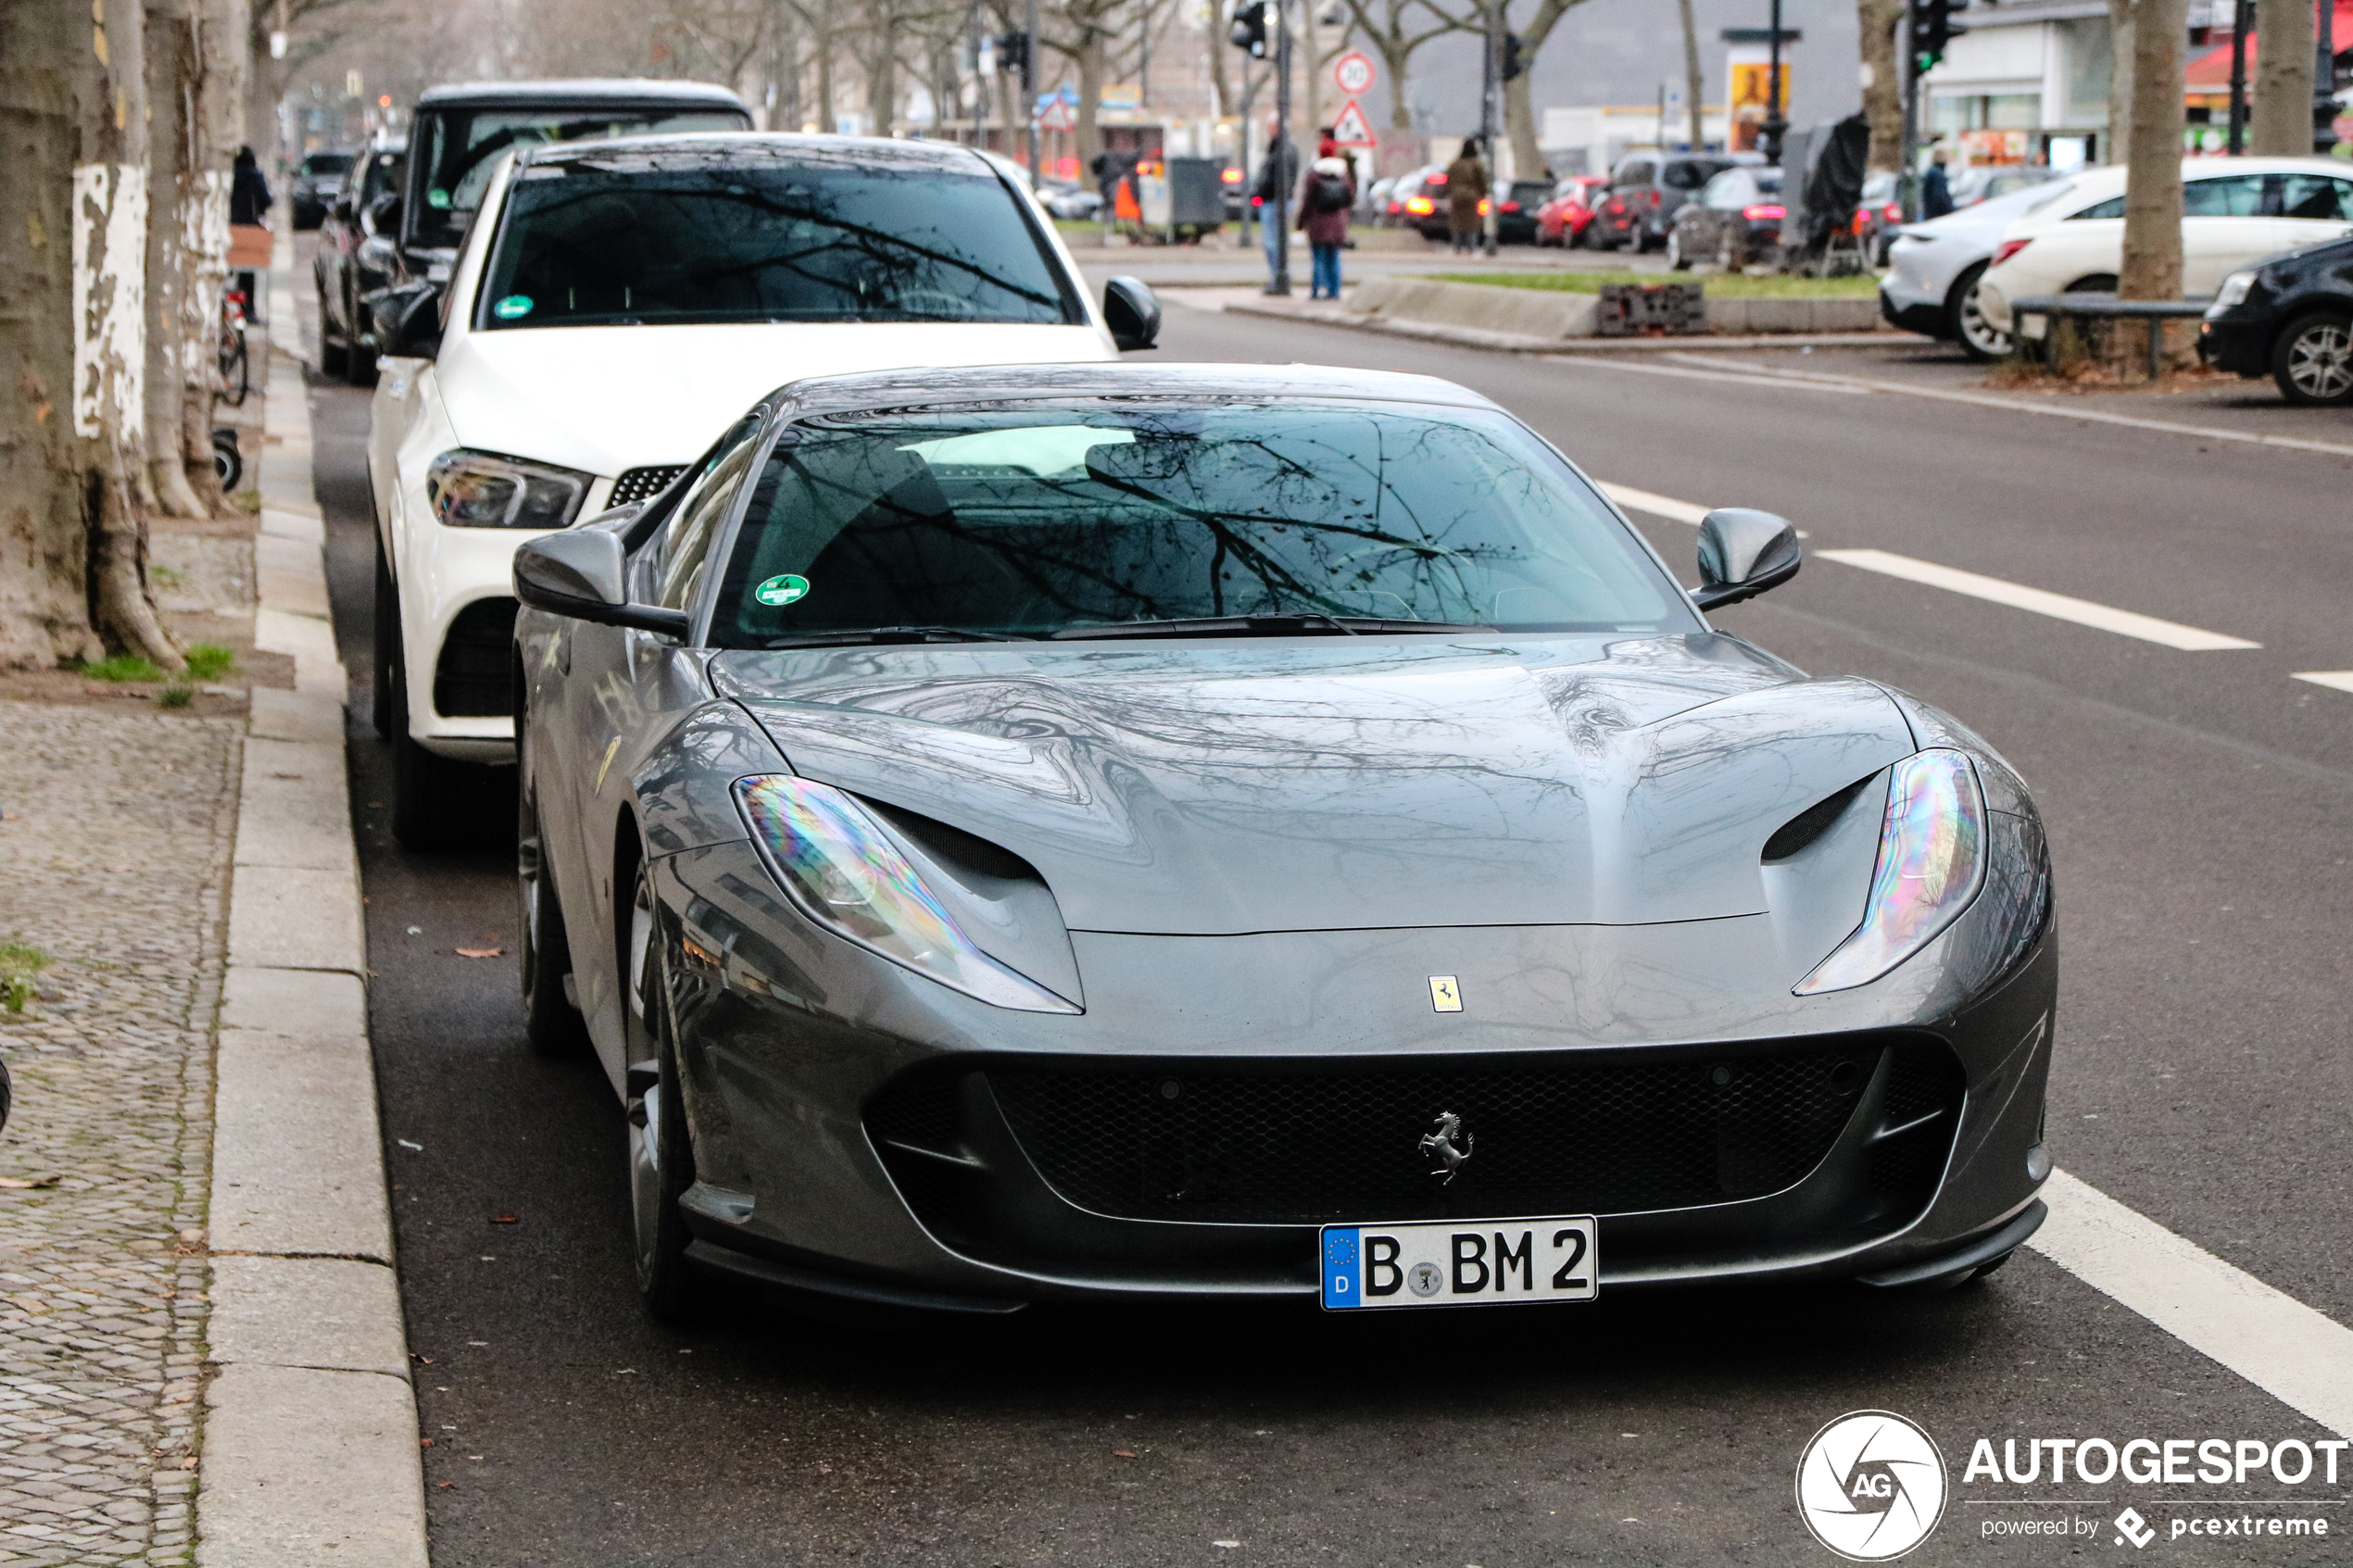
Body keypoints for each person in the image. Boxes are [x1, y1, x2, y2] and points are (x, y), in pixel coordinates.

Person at [1299, 155, 1355, 299]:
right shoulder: (1343, 175)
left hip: (1318, 223)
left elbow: (1308, 201)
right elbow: (1350, 198)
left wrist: (1301, 222)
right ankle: (1334, 291)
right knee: (1334, 258)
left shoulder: (1314, 175)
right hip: (1337, 224)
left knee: (1318, 259)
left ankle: (1316, 291)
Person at [1251, 127, 1300, 292]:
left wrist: (1261, 191)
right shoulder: (1280, 149)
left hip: (1275, 201)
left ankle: (1278, 276)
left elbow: (1275, 177)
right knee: (1273, 241)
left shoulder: (1283, 151)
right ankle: (1277, 275)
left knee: (1272, 242)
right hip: (1274, 200)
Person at [228, 146, 274, 323]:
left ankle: (233, 312)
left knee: (231, 274)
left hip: (230, 230)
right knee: (248, 275)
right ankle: (249, 311)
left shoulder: (231, 176)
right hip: (250, 232)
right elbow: (266, 200)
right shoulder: (255, 177)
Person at [1445, 135, 1489, 255]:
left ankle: (1457, 248)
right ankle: (1471, 248)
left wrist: (1450, 193)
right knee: (1472, 224)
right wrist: (1482, 194)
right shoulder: (1475, 165)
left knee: (1457, 223)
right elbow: (1481, 182)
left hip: (1457, 196)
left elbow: (1448, 180)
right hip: (1471, 196)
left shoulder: (1455, 164)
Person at [1922, 147, 1955, 220]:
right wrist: (1950, 210)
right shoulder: (1938, 174)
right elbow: (1940, 197)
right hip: (1937, 216)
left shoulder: (1932, 171)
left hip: (1930, 214)